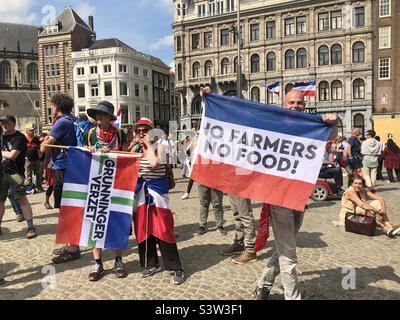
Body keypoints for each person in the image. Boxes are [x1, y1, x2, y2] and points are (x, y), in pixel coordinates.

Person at [254, 90, 338, 300]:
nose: (296, 106)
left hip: (299, 196)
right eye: (291, 102)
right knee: (289, 255)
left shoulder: (309, 124)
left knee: (284, 246)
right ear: (284, 104)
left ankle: (263, 285)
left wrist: (333, 122)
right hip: (278, 197)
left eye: (299, 102)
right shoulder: (274, 123)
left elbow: (331, 136)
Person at [133, 118, 185, 285]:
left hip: (157, 195)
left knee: (163, 230)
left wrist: (148, 145)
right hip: (141, 195)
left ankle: (175, 267)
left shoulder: (161, 145)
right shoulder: (134, 148)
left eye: (145, 130)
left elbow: (155, 164)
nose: (141, 133)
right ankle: (150, 263)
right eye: (138, 131)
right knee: (143, 230)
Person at [83, 101, 129, 281]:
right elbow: (84, 155)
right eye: (97, 116)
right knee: (96, 220)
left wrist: (111, 151)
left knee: (117, 220)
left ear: (110, 118)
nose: (98, 119)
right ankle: (97, 262)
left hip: (117, 182)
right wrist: (90, 150)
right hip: (96, 183)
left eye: (102, 115)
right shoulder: (90, 133)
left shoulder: (120, 133)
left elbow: (127, 157)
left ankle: (118, 260)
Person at [40, 94, 79, 264]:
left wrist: (45, 139)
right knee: (69, 208)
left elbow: (43, 147)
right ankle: (71, 244)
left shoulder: (61, 122)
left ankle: (73, 249)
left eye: (52, 106)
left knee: (67, 210)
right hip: (71, 166)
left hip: (63, 168)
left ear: (57, 107)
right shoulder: (73, 119)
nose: (51, 108)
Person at [0, 115, 37, 239]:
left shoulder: (19, 138)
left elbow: (12, 155)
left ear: (13, 123)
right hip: (2, 172)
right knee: (1, 201)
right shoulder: (1, 136)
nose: (3, 125)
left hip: (15, 173)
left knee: (22, 200)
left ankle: (30, 227)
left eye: (6, 123)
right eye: (2, 123)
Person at [25, 126, 43, 192]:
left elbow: (40, 147)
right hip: (28, 160)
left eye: (33, 130)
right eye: (30, 130)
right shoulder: (24, 139)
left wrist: (40, 155)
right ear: (27, 132)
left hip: (37, 159)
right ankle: (29, 188)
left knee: (38, 174)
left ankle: (39, 187)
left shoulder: (36, 139)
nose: (32, 131)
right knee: (28, 174)